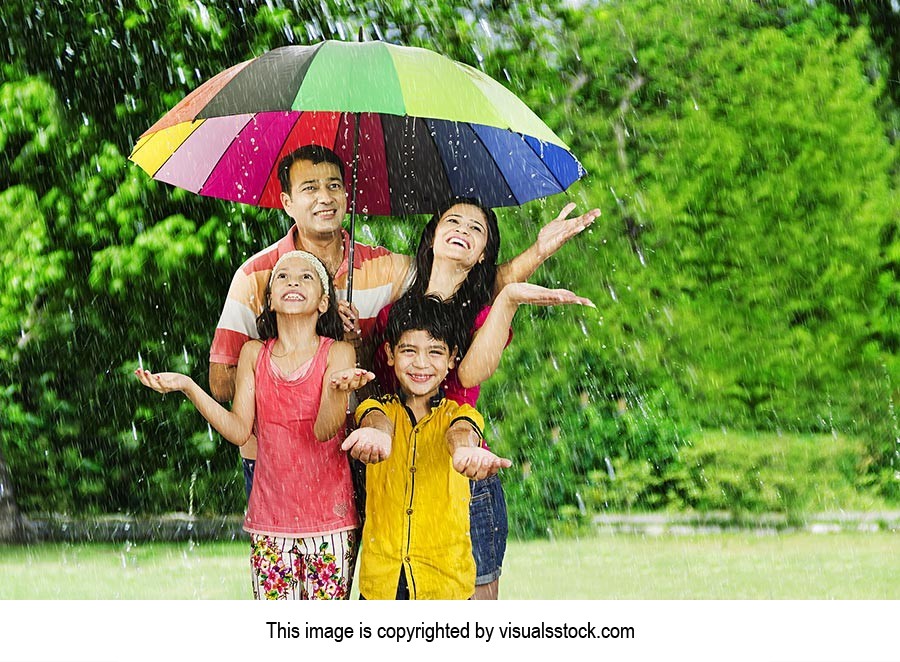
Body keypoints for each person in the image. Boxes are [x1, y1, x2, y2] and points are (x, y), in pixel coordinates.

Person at [208, 145, 600, 499]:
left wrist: (535, 253)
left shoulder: (387, 267)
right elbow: (222, 381)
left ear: (347, 195)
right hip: (281, 460)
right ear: (287, 202)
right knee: (286, 575)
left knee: (364, 573)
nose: (325, 197)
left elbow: (461, 281)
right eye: (309, 188)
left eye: (333, 186)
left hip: (370, 449)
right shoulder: (257, 276)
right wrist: (307, 338)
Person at [368, 197, 595, 600]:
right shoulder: (393, 315)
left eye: (477, 229)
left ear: (484, 252)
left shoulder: (481, 315)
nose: (463, 230)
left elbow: (471, 373)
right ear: (433, 236)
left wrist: (530, 265)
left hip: (466, 473)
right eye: (453, 221)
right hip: (404, 482)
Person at [136, 251, 374, 599]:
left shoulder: (338, 353)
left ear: (324, 303)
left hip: (330, 524)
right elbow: (238, 431)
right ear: (271, 300)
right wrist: (188, 386)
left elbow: (324, 431)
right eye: (283, 276)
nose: (293, 281)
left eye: (306, 277)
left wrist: (339, 390)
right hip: (269, 522)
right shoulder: (253, 354)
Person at [342, 296, 511, 599]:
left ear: (452, 359)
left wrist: (464, 451)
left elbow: (462, 433)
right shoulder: (377, 409)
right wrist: (378, 436)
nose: (421, 363)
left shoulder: (459, 414)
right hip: (382, 586)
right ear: (390, 354)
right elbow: (376, 421)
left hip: (444, 585)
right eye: (409, 350)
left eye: (435, 352)